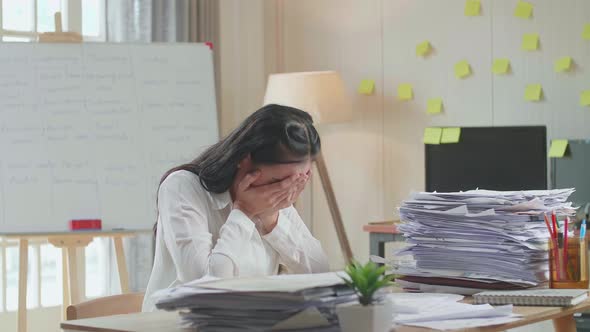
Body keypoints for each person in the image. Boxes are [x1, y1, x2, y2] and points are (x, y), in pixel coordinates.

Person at [142, 104, 329, 311]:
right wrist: (244, 213)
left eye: (298, 181)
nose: (285, 190)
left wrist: (271, 221)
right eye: (278, 181)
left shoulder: (275, 199)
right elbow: (203, 289)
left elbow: (320, 273)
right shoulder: (182, 187)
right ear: (245, 160)